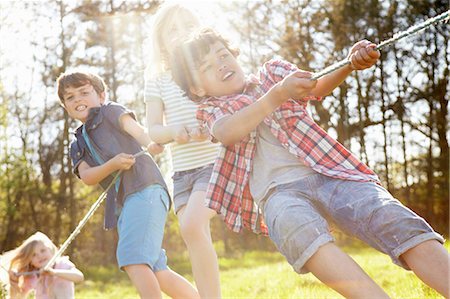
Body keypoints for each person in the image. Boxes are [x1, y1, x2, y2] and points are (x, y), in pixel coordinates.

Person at [170, 28, 450, 298]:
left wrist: (349, 64)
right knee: (296, 230)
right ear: (197, 88)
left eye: (222, 55)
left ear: (234, 54)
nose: (220, 65)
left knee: (390, 215)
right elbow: (227, 131)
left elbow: (317, 86)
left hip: (332, 173)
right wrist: (277, 95)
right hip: (278, 193)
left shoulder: (272, 73)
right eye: (207, 67)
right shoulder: (211, 109)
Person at [56, 70, 200, 299]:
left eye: (84, 92)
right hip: (125, 203)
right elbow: (88, 177)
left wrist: (151, 142)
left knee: (132, 257)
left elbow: (138, 131)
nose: (77, 99)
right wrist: (112, 164)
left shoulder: (110, 111)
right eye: (70, 97)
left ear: (101, 96)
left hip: (146, 189)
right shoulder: (77, 144)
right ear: (65, 106)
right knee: (156, 269)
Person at [145, 3, 221, 298]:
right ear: (160, 39)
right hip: (181, 173)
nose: (179, 35)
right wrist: (174, 132)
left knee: (191, 226)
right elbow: (154, 129)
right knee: (197, 236)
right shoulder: (156, 80)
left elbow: (226, 108)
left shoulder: (205, 70)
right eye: (172, 30)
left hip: (215, 164)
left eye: (186, 27)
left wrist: (212, 126)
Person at [3, 231, 84, 299]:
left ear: (50, 249)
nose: (39, 256)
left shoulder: (61, 264)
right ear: (30, 261)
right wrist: (14, 282)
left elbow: (79, 277)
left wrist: (54, 272)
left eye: (43, 250)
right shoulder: (33, 275)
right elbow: (19, 297)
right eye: (34, 255)